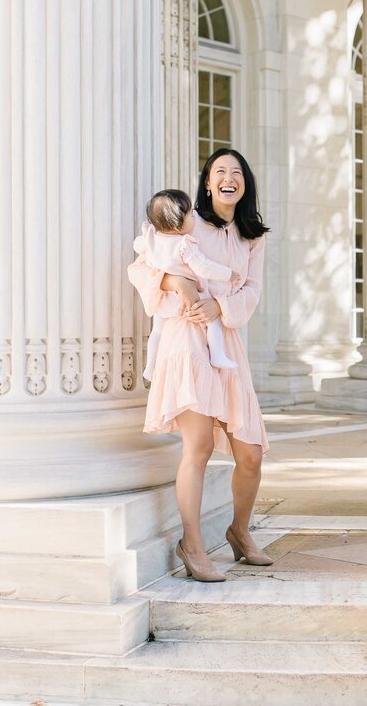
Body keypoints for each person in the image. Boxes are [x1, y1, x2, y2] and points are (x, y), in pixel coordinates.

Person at [128, 149, 271, 583]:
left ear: (245, 182)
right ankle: (191, 545)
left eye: (236, 172)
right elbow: (143, 267)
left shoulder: (252, 236)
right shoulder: (187, 223)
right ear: (207, 182)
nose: (229, 178)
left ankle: (239, 532)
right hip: (185, 340)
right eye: (219, 172)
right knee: (200, 448)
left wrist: (219, 307)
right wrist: (176, 281)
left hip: (224, 340)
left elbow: (251, 291)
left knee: (250, 453)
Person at [136, 189, 244, 380]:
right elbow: (203, 267)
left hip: (163, 299)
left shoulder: (151, 238)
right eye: (189, 215)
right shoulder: (184, 245)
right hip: (190, 298)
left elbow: (137, 246)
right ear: (178, 226)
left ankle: (150, 367)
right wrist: (229, 275)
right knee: (214, 322)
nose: (194, 216)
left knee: (157, 331)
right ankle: (218, 355)